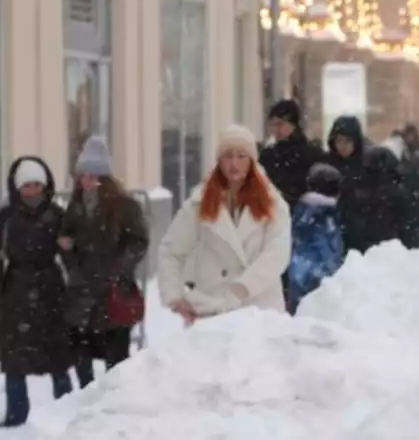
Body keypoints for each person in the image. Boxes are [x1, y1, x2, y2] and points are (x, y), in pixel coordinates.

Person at [157, 126, 292, 323]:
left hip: (260, 311)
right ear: (219, 160)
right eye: (227, 156)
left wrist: (242, 288)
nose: (234, 163)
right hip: (212, 310)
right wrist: (175, 297)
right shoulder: (199, 203)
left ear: (252, 161)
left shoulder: (273, 204)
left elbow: (277, 254)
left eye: (241, 155)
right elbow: (171, 251)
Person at [59, 137, 149, 387]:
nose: (86, 180)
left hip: (114, 291)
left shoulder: (125, 206)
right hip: (82, 292)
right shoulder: (75, 206)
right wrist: (68, 253)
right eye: (82, 175)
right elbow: (66, 239)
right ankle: (87, 403)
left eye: (92, 174)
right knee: (81, 355)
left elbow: (139, 241)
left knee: (117, 359)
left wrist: (118, 269)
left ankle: (112, 405)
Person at [0, 157, 73, 427]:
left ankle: (66, 409)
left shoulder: (56, 214)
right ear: (18, 188)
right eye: (27, 186)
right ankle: (16, 414)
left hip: (49, 288)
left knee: (57, 353)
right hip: (15, 289)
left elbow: (70, 255)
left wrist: (69, 251)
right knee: (14, 358)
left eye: (36, 185)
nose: (32, 191)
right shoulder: (6, 217)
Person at [286, 163, 345, 313]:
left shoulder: (303, 209)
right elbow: (327, 248)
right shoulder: (325, 215)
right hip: (317, 276)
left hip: (297, 271)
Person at [260, 99, 327, 212]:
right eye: (273, 124)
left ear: (293, 124)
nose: (276, 129)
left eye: (280, 124)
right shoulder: (268, 155)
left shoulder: (312, 154)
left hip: (305, 215)